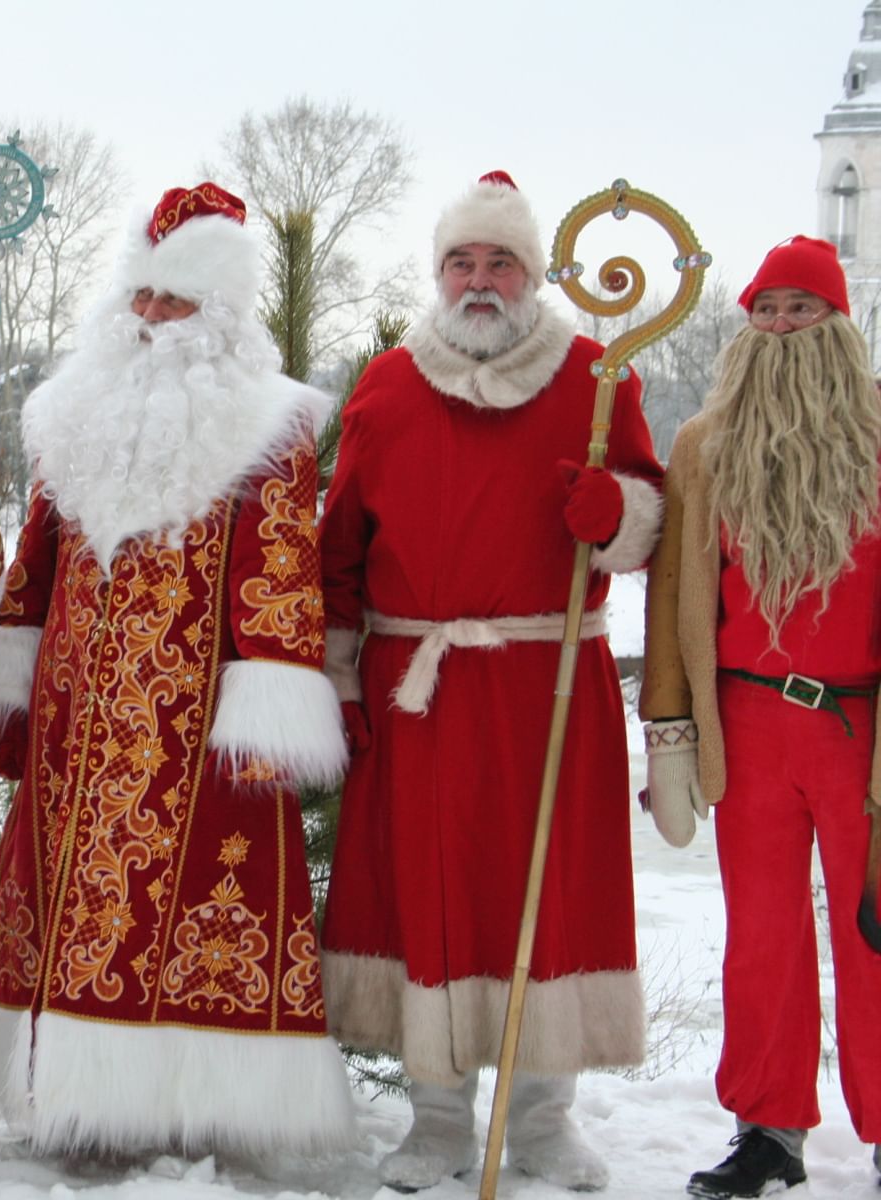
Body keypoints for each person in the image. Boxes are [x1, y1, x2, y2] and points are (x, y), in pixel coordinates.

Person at [0, 182, 357, 1164]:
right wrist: (3, 655)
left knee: (186, 911)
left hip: (195, 720)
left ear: (219, 314)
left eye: (179, 303)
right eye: (145, 298)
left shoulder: (269, 423)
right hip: (79, 718)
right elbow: (34, 558)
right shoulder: (64, 413)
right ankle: (75, 1100)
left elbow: (280, 575)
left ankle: (181, 1108)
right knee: (76, 903)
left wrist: (267, 706)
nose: (157, 319)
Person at [318, 171, 664, 1192]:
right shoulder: (386, 384)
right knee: (428, 890)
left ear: (531, 276)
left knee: (546, 887)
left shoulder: (596, 381)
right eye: (460, 263)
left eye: (498, 262)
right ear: (437, 276)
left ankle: (543, 1119)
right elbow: (336, 547)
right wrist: (337, 679)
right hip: (414, 687)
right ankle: (433, 1121)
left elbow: (648, 521)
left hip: (544, 679)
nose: (478, 280)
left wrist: (616, 514)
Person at [641, 235, 881, 1198]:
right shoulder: (703, 446)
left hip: (858, 736)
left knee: (873, 933)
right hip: (747, 725)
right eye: (765, 309)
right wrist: (668, 730)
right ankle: (769, 1129)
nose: (780, 325)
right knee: (765, 936)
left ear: (838, 324)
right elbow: (671, 597)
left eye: (801, 309)